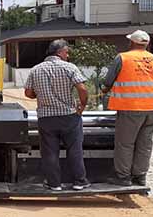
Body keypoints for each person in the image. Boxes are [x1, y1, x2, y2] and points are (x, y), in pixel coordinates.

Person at [24, 39, 90, 191]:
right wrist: (82, 106)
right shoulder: (69, 67)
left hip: (46, 118)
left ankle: (54, 184)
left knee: (50, 152)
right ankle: (80, 181)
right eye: (67, 52)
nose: (68, 55)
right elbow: (83, 88)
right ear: (59, 52)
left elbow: (28, 93)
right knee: (74, 149)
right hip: (69, 117)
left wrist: (39, 94)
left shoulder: (36, 69)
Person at [103, 30, 153, 187]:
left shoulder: (123, 58)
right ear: (147, 44)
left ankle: (123, 177)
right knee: (145, 144)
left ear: (131, 42)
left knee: (125, 143)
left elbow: (108, 81)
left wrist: (104, 89)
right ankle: (140, 176)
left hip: (130, 108)